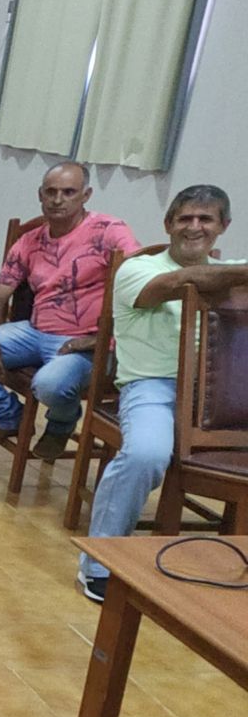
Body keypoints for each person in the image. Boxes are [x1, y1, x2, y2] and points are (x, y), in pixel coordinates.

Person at [77, 185, 248, 602]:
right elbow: (181, 280)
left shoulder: (234, 272)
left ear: (223, 226)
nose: (194, 227)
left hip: (223, 390)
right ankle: (99, 561)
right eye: (185, 218)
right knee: (145, 454)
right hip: (153, 386)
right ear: (168, 224)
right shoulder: (137, 269)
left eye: (206, 219)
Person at [0, 162, 140, 463]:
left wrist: (103, 338)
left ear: (86, 195)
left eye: (68, 192)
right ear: (40, 195)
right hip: (35, 332)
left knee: (49, 385)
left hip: (87, 342)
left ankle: (61, 424)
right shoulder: (29, 241)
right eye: (51, 192)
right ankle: (10, 416)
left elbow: (141, 284)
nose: (58, 200)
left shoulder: (110, 232)